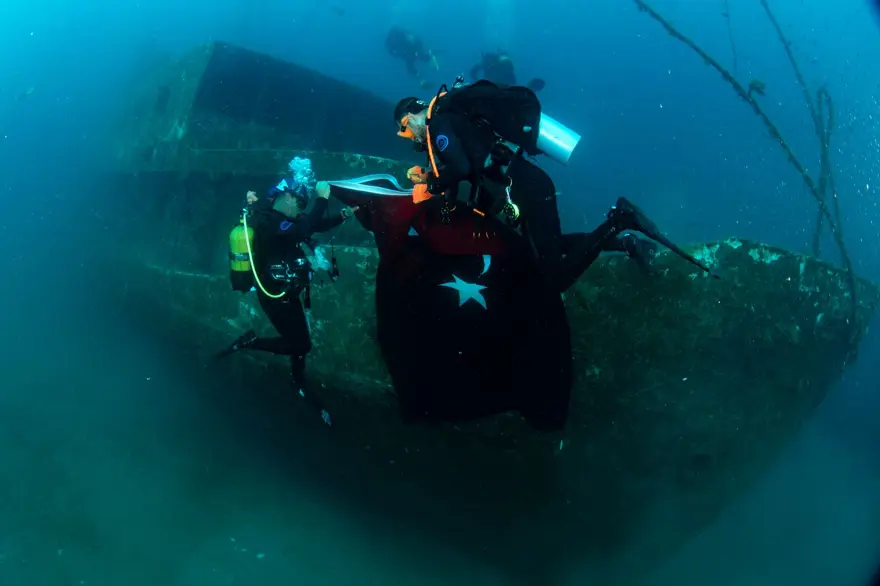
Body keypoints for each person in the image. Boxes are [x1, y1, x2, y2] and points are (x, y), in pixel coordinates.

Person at [392, 80, 715, 293]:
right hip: (527, 185)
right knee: (551, 245)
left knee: (553, 278)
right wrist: (436, 187)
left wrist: (432, 183)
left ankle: (620, 220)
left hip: (528, 189)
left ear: (412, 116)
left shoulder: (441, 125)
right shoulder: (452, 121)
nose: (410, 139)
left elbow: (461, 169)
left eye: (405, 130)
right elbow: (467, 172)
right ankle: (627, 243)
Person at [217, 157, 358, 426]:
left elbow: (313, 225)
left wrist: (343, 215)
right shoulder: (268, 220)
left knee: (299, 340)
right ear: (288, 198)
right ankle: (250, 342)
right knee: (301, 343)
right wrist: (322, 199)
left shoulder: (284, 220)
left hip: (288, 292)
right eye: (300, 203)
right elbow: (301, 229)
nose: (302, 209)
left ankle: (298, 378)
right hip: (275, 297)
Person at [469, 50, 545, 93]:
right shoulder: (487, 62)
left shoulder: (488, 62)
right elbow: (512, 80)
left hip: (491, 88)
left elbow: (473, 72)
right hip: (501, 88)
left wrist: (478, 84)